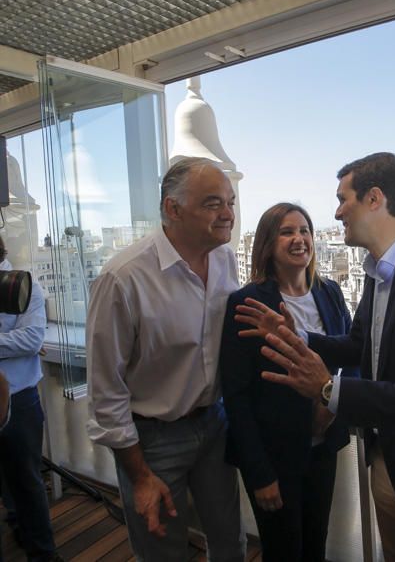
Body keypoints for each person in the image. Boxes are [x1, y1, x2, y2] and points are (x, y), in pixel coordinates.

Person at [235, 152, 395, 562]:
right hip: (387, 461)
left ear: (374, 199)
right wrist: (297, 334)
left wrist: (329, 389)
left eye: (344, 199)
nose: (338, 212)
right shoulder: (379, 273)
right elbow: (358, 345)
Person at [86, 158, 246, 562]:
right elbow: (106, 391)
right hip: (151, 441)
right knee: (162, 551)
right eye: (213, 203)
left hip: (215, 424)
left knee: (230, 543)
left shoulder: (226, 260)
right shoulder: (122, 278)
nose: (228, 213)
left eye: (230, 201)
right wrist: (138, 475)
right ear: (173, 209)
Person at [220, 203, 354, 561]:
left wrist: (333, 403)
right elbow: (236, 395)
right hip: (273, 454)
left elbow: (353, 356)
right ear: (267, 244)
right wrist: (259, 472)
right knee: (282, 551)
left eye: (305, 230)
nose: (299, 239)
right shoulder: (247, 302)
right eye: (287, 232)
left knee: (315, 545)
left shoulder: (329, 293)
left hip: (322, 447)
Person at [0, 237, 59, 562]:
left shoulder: (23, 284)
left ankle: (42, 552)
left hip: (20, 398)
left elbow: (31, 338)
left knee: (27, 479)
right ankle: (15, 523)